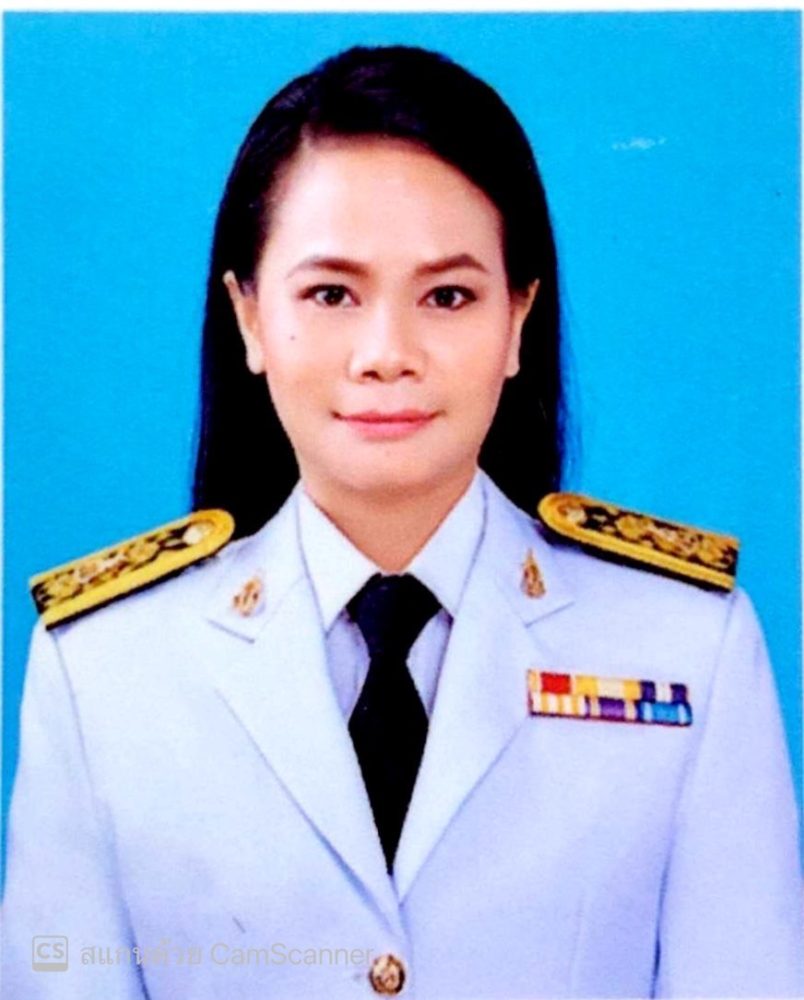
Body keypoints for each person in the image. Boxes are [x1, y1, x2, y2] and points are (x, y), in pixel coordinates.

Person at [3, 44, 801, 1000]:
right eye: (331, 294)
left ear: (518, 318)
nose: (387, 353)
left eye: (448, 295)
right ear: (248, 317)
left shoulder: (687, 646)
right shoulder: (104, 668)